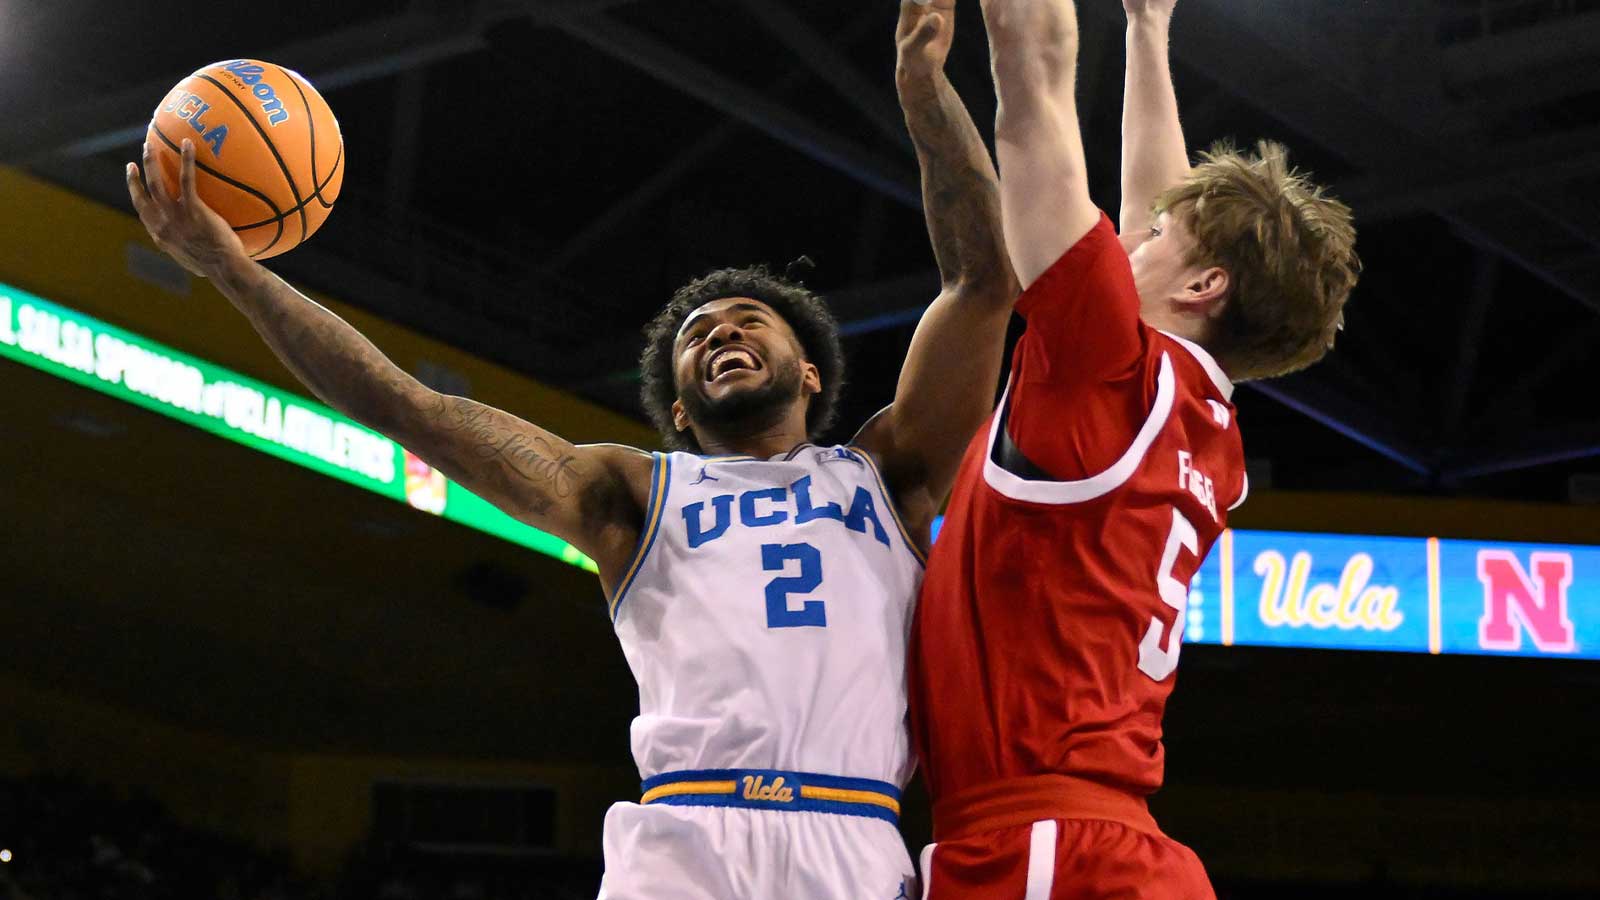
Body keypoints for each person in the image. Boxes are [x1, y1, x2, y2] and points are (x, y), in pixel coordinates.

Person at [123, 3, 1015, 896]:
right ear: (677, 402)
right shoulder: (631, 493)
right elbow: (410, 409)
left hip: (851, 837)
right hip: (685, 839)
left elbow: (982, 281)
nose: (722, 335)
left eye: (750, 321)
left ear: (812, 375)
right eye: (696, 336)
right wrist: (237, 274)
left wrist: (923, 92)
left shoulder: (887, 474)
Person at [908, 0, 1361, 896]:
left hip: (1045, 847)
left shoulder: (1105, 371)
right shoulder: (1209, 431)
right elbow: (1165, 204)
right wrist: (1147, 30)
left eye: (1152, 239)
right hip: (1106, 844)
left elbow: (1030, 78)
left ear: (1203, 285)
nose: (1130, 235)